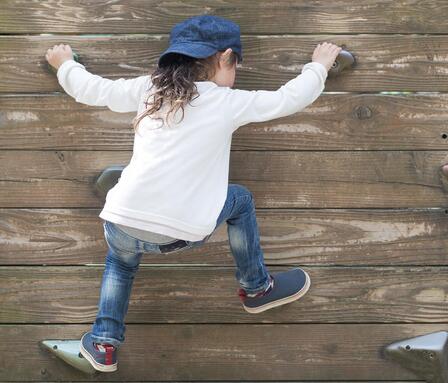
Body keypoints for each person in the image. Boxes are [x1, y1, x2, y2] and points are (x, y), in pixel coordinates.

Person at [44, 14, 341, 373]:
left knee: (120, 263)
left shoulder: (149, 89)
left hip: (123, 221)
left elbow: (94, 89)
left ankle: (105, 343)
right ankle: (257, 288)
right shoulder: (227, 101)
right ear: (226, 57)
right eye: (237, 66)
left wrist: (65, 65)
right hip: (181, 231)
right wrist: (319, 65)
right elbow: (287, 99)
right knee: (241, 200)